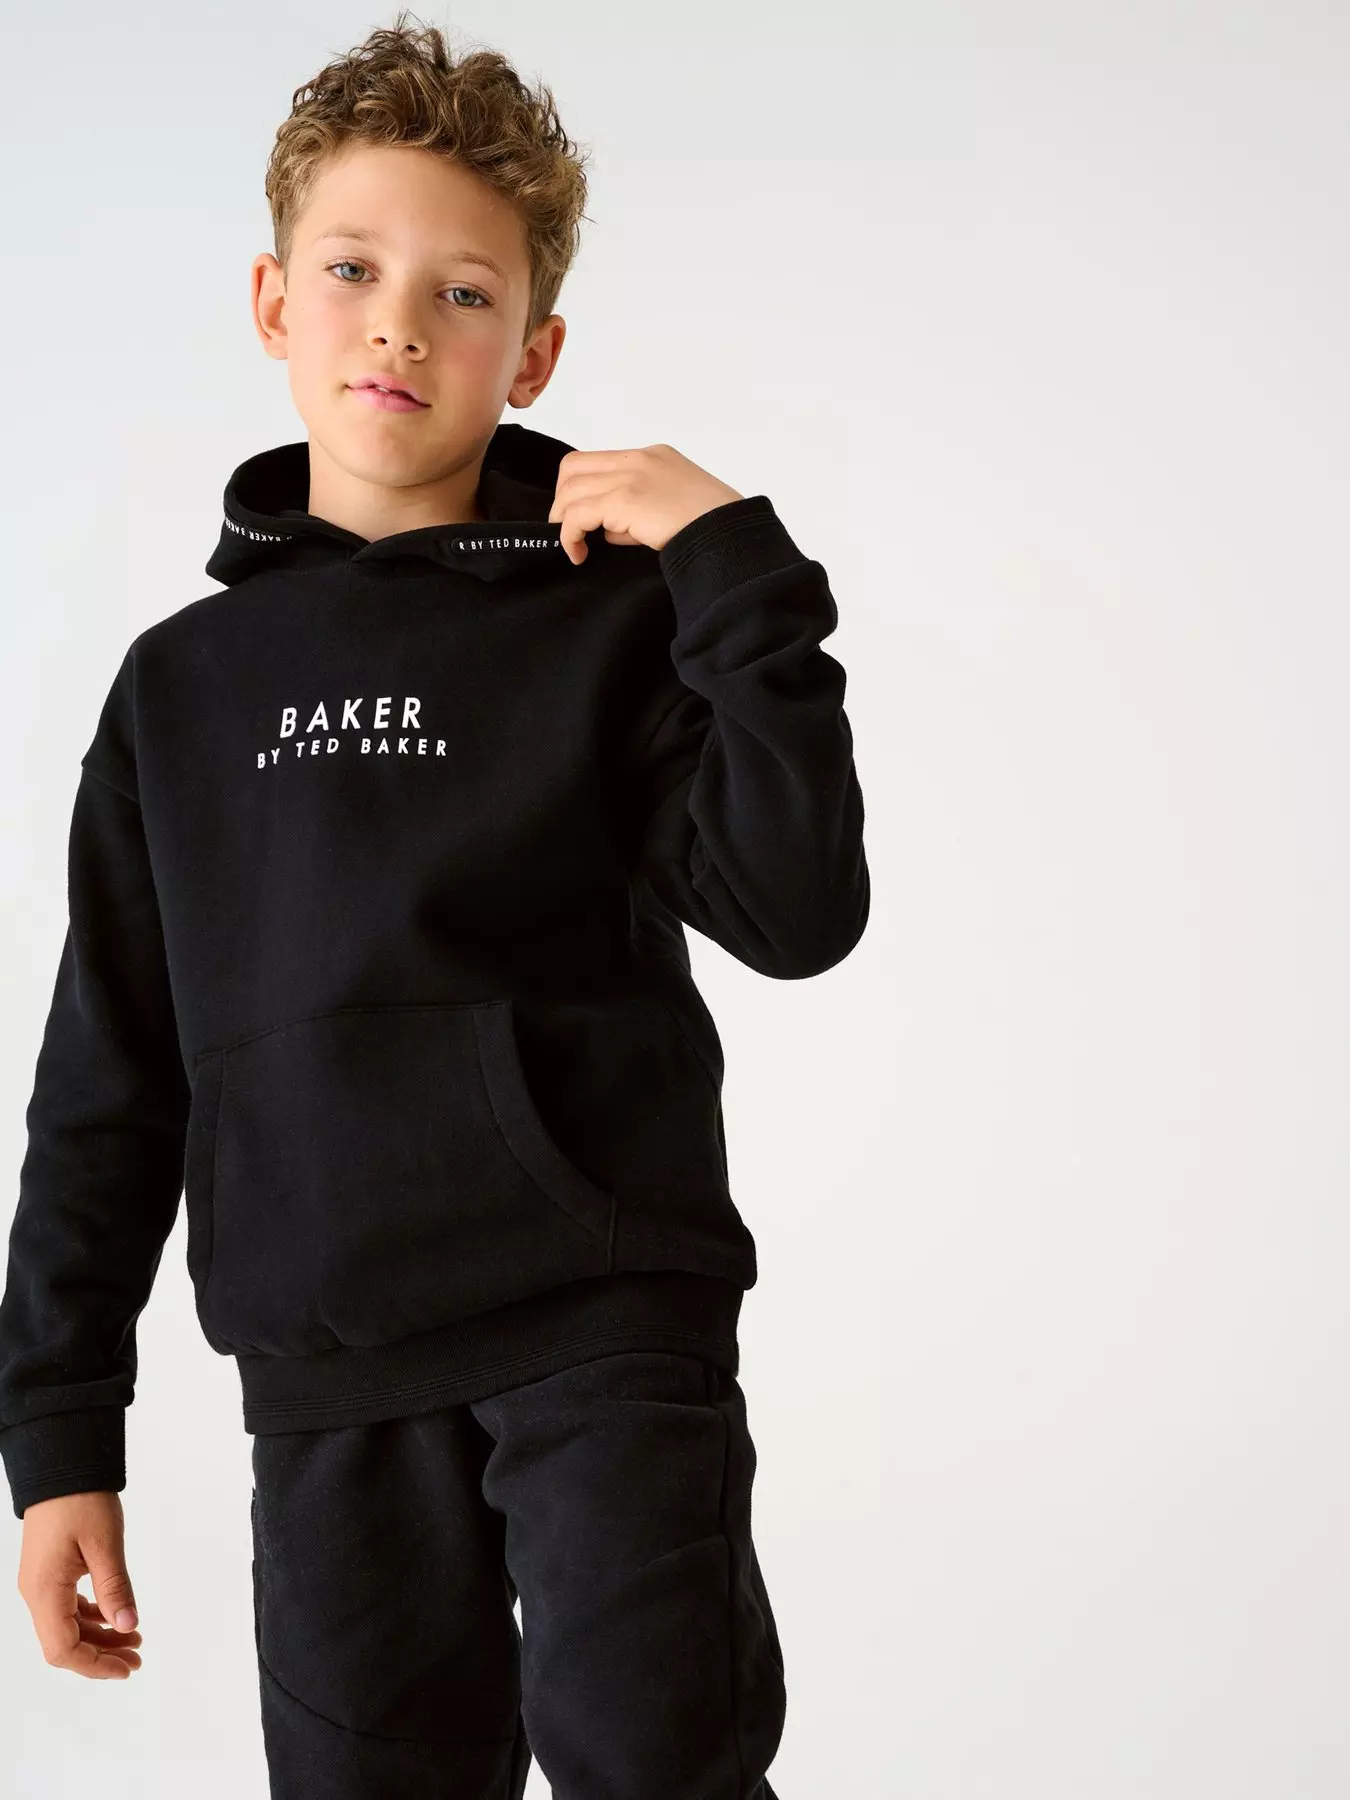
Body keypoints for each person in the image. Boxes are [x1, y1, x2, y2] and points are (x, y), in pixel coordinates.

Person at [0, 15, 869, 1797]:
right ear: (272, 303)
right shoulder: (179, 688)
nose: (398, 323)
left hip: (601, 1327)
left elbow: (797, 910)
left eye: (462, 293)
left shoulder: (614, 622)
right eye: (351, 270)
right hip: (325, 1378)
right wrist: (59, 1428)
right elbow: (109, 1070)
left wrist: (734, 573)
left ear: (531, 352)